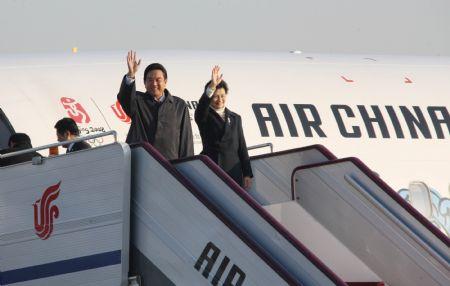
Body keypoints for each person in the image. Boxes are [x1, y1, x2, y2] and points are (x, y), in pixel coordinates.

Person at [117, 50, 193, 160]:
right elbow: (124, 96)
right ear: (144, 83)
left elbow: (186, 140)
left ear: (165, 81)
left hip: (170, 164)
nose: (154, 83)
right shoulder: (138, 101)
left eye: (158, 80)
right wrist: (131, 75)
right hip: (142, 162)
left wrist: (187, 165)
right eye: (150, 80)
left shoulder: (179, 105)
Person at [195, 66, 253, 189]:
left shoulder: (235, 118)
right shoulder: (204, 116)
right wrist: (211, 87)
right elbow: (201, 107)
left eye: (222, 95)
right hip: (213, 169)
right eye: (215, 96)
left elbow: (242, 147)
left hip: (234, 172)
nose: (219, 100)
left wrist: (247, 173)